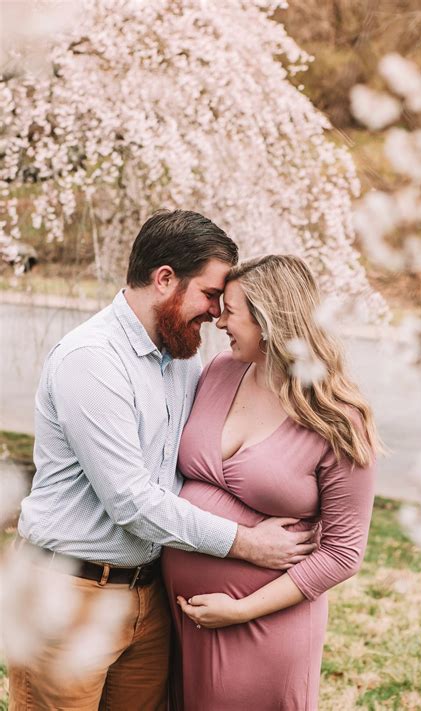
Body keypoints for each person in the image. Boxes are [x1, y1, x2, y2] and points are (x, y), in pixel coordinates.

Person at [7, 212, 316, 711]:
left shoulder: (183, 357)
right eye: (210, 295)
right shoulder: (92, 360)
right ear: (165, 279)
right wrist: (246, 544)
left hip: (149, 598)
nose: (216, 315)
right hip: (67, 593)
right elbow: (130, 499)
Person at [161, 254, 379, 711]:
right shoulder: (221, 371)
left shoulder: (337, 418)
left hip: (266, 625)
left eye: (230, 311)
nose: (217, 321)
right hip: (183, 617)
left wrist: (239, 609)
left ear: (269, 319)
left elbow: (342, 554)